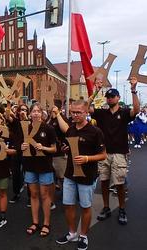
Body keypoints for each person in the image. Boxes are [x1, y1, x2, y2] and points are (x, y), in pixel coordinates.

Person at [54, 100, 106, 250]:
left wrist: (87, 158)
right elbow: (70, 148)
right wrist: (66, 150)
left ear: (86, 112)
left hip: (87, 176)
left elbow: (103, 155)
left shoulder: (95, 132)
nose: (75, 115)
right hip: (70, 175)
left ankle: (83, 235)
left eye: (78, 112)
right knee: (68, 205)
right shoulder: (71, 130)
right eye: (73, 112)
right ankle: (72, 233)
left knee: (85, 207)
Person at [89, 76, 140, 225]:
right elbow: (87, 108)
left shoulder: (124, 112)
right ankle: (106, 207)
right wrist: (96, 91)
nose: (110, 99)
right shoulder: (102, 113)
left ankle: (122, 208)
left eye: (112, 96)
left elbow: (136, 109)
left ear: (118, 98)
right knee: (104, 182)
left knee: (119, 183)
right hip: (104, 153)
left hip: (119, 153)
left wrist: (133, 90)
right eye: (108, 97)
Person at [21, 103, 57, 237]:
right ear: (30, 114)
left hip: (45, 167)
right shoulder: (26, 128)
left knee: (44, 195)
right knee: (34, 195)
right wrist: (22, 146)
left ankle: (46, 223)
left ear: (42, 113)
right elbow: (21, 146)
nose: (35, 113)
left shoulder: (48, 128)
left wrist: (44, 148)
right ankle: (35, 222)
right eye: (33, 111)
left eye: (38, 111)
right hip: (30, 166)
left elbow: (54, 149)